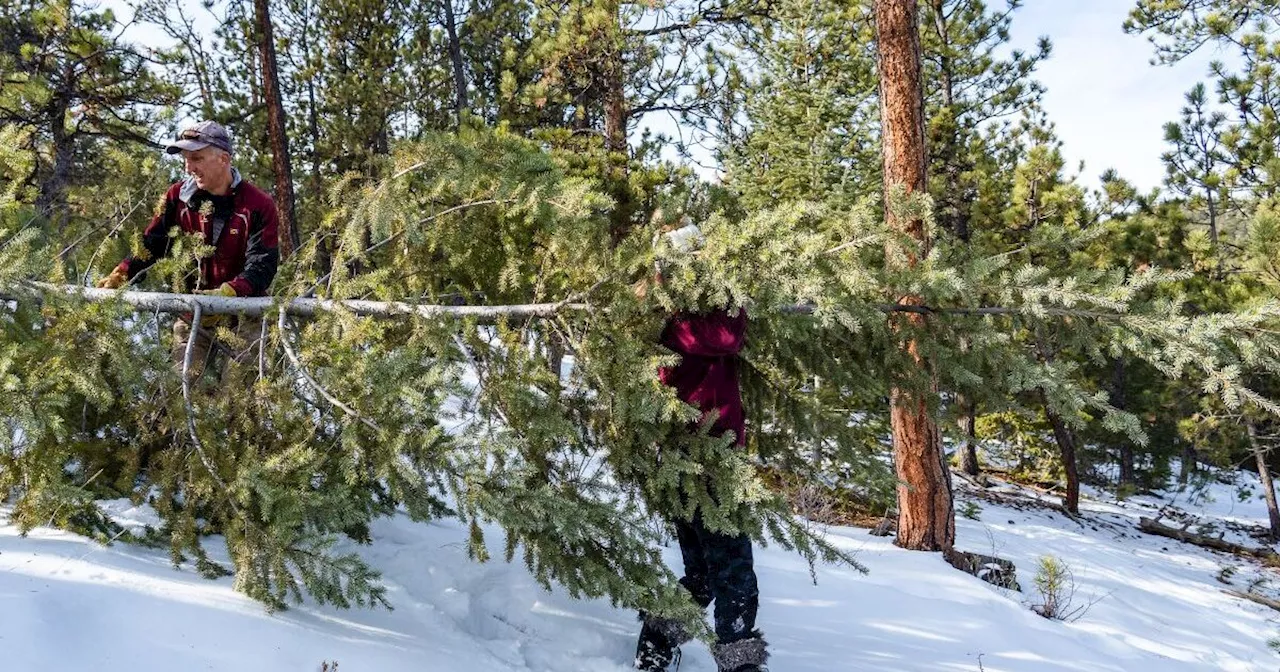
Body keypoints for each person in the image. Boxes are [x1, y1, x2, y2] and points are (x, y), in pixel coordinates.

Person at [634, 222, 768, 672]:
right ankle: (738, 662)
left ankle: (655, 643)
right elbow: (727, 336)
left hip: (697, 456)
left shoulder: (679, 315)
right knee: (732, 571)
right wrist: (734, 292)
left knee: (704, 573)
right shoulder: (678, 321)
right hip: (703, 459)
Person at [97, 120, 280, 379]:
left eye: (197, 158)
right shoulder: (176, 197)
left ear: (223, 159)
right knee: (178, 387)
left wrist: (230, 292)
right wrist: (123, 272)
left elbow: (263, 264)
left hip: (247, 311)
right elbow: (153, 243)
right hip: (194, 308)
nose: (189, 167)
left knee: (242, 399)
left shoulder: (258, 204)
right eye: (185, 159)